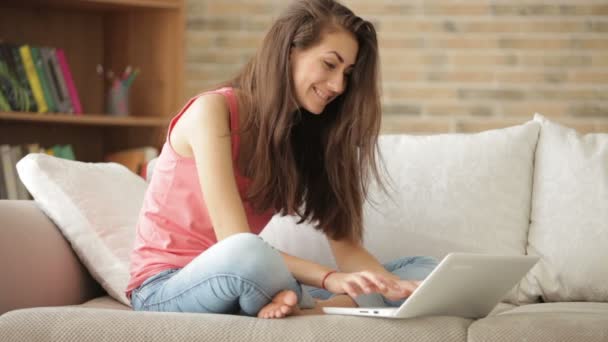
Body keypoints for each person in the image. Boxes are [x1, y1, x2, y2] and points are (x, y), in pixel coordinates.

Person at [126, 0, 438, 319]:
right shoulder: (211, 111)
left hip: (252, 278)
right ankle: (314, 303)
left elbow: (349, 249)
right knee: (248, 254)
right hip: (167, 286)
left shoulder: (305, 136)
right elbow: (233, 243)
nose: (338, 86)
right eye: (330, 64)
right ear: (288, 51)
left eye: (347, 73)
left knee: (426, 271)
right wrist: (331, 279)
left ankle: (304, 306)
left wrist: (394, 287)